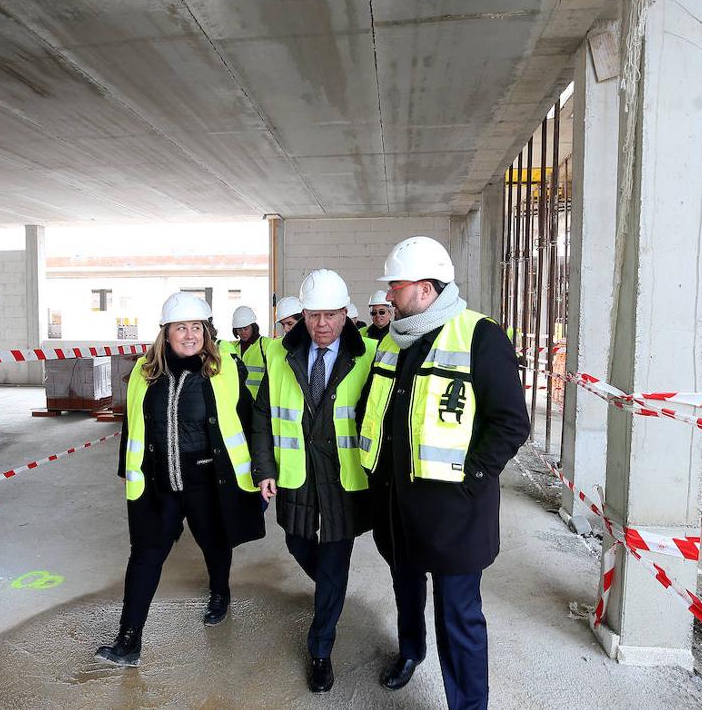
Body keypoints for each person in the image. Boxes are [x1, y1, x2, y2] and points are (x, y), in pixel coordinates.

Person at [358, 237, 529, 709]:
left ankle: (469, 705)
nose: (389, 296)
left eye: (397, 286)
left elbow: (512, 423)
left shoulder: (479, 335)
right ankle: (411, 651)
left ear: (427, 289)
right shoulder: (392, 343)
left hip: (455, 511)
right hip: (400, 505)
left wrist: (471, 479)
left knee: (459, 615)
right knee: (405, 587)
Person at [97, 292, 266, 667]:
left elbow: (251, 422)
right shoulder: (145, 374)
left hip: (208, 482)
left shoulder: (225, 372)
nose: (190, 335)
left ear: (207, 332)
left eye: (197, 328)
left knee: (214, 543)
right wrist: (130, 472)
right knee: (144, 557)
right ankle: (129, 639)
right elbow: (134, 427)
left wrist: (261, 472)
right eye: (180, 328)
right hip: (159, 486)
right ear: (166, 333)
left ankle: (219, 591)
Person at [250, 270, 376, 693]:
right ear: (302, 316)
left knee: (335, 558)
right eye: (313, 315)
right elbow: (264, 415)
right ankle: (331, 591)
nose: (322, 324)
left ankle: (320, 650)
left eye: (331, 315)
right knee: (297, 543)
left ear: (345, 315)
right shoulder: (281, 357)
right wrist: (265, 468)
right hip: (296, 475)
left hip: (345, 478)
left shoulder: (369, 357)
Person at [231, 305, 269, 398]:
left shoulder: (265, 344)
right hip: (238, 400)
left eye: (246, 328)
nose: (243, 332)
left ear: (253, 327)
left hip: (259, 401)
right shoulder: (232, 347)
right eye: (239, 329)